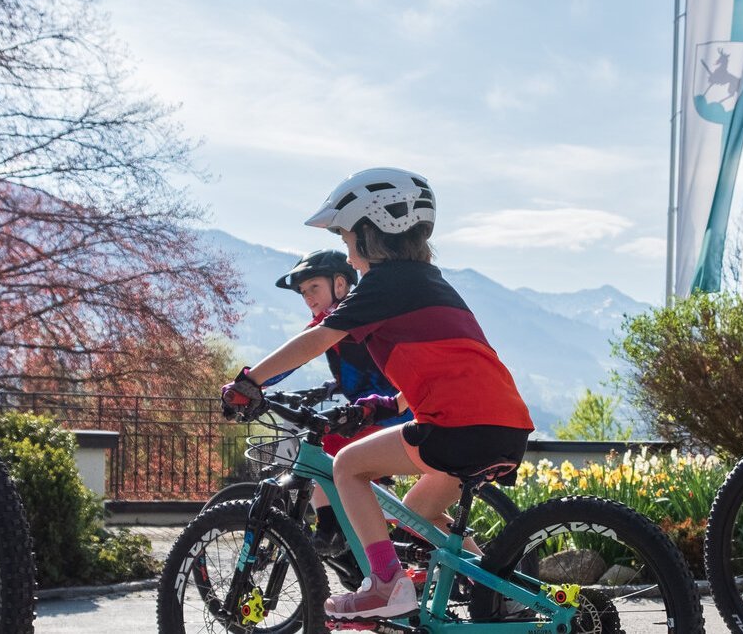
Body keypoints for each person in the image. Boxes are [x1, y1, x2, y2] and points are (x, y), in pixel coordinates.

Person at [222, 168, 533, 621]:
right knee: (416, 511)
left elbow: (316, 339)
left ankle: (386, 585)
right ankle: (499, 589)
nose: (348, 253)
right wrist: (385, 405)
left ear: (371, 233)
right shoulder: (430, 283)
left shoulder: (384, 285)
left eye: (348, 239)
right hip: (504, 424)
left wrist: (250, 383)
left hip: (457, 425)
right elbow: (443, 367)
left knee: (348, 466)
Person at [270, 249, 407, 555]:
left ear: (341, 285)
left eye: (313, 288)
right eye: (303, 293)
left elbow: (294, 356)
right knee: (331, 444)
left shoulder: (343, 317)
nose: (307, 297)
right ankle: (342, 529)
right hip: (373, 411)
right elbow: (358, 371)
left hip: (392, 411)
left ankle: (331, 529)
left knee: (325, 443)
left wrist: (252, 383)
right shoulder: (334, 319)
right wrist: (326, 388)